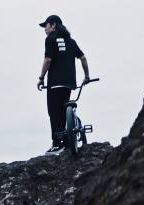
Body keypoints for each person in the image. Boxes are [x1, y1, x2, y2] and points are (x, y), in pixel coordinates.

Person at [36, 15, 92, 154]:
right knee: (63, 110)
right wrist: (87, 76)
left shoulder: (50, 39)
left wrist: (41, 77)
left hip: (55, 83)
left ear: (53, 25)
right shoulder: (71, 41)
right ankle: (67, 142)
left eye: (46, 26)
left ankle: (57, 143)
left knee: (54, 113)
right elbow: (83, 58)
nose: (45, 29)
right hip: (69, 83)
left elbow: (48, 60)